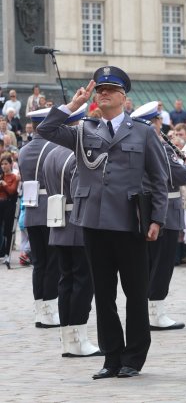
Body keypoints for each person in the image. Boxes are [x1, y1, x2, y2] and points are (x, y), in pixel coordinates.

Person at [37, 66, 168, 379]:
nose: (103, 94)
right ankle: (112, 356)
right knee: (103, 294)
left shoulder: (143, 132)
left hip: (130, 221)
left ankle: (133, 357)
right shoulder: (84, 128)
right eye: (100, 90)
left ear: (124, 97)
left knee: (135, 293)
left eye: (110, 90)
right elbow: (46, 131)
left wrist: (157, 219)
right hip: (94, 223)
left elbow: (159, 179)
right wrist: (71, 107)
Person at [43, 104, 101, 358]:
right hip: (78, 223)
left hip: (59, 223)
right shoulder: (76, 154)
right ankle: (78, 337)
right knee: (83, 283)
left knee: (66, 281)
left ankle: (69, 338)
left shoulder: (52, 154)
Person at [131, 101, 186, 330]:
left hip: (146, 208)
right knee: (162, 263)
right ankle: (156, 313)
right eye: (159, 120)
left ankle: (148, 311)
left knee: (148, 263)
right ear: (154, 122)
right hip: (164, 208)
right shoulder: (160, 146)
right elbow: (179, 176)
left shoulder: (136, 144)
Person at [18, 109, 60, 328]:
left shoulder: (23, 150)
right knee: (53, 262)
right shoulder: (53, 146)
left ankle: (39, 309)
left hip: (31, 210)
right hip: (50, 209)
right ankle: (50, 310)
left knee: (39, 262)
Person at [0, 154, 19, 262]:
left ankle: (7, 253)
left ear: (11, 164)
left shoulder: (14, 177)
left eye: (6, 164)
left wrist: (4, 184)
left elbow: (12, 191)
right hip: (1, 204)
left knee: (8, 230)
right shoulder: (1, 176)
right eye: (2, 164)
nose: (4, 166)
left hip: (9, 206)